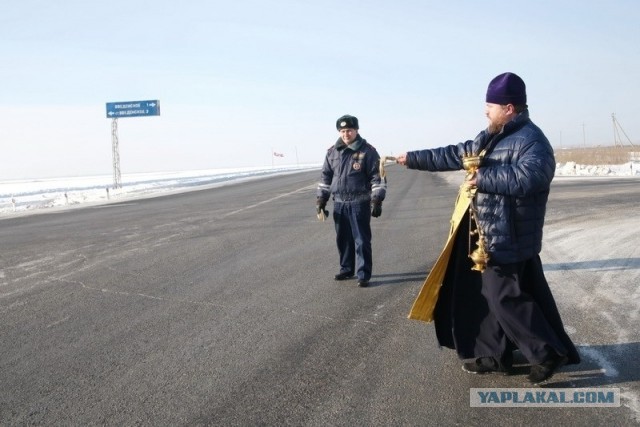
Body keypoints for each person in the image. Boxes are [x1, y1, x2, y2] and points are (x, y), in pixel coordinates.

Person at [396, 72, 580, 383]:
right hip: (490, 233)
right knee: (489, 296)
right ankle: (496, 355)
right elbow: (455, 153)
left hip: (511, 233)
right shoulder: (491, 137)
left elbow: (531, 178)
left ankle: (546, 350)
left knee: (503, 297)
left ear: (509, 108)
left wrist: (483, 179)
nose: (485, 113)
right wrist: (413, 158)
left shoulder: (532, 140)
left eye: (490, 107)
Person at [317, 114, 386, 287]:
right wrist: (321, 200)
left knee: (361, 240)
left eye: (349, 130)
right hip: (339, 203)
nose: (346, 134)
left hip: (359, 203)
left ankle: (363, 274)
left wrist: (377, 200)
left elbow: (377, 177)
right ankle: (346, 269)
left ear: (356, 130)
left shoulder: (367, 151)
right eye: (342, 131)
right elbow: (325, 177)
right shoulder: (332, 152)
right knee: (343, 239)